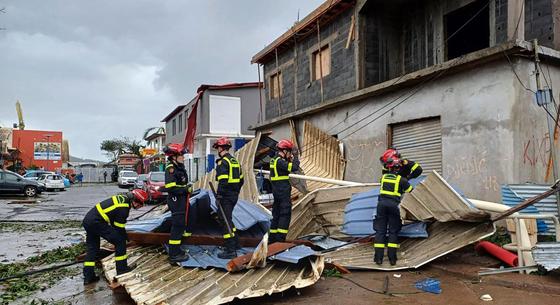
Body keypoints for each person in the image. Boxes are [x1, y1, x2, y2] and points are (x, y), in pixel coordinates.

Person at [82, 189, 148, 284]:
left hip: (88, 221)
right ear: (135, 200)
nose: (140, 206)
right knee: (120, 243)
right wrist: (124, 238)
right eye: (140, 203)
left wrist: (121, 234)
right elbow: (118, 227)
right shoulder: (124, 208)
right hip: (97, 223)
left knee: (92, 249)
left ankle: (88, 277)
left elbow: (114, 221)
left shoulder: (121, 199)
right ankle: (122, 269)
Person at [374, 155, 413, 266]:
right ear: (398, 168)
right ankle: (392, 259)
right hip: (394, 207)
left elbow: (384, 172)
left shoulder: (383, 178)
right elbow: (411, 191)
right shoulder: (402, 180)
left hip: (381, 206)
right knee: (393, 231)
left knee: (380, 231)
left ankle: (378, 259)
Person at [213, 137, 244, 259]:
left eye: (218, 148)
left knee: (224, 221)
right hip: (233, 195)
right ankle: (236, 243)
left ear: (220, 148)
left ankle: (230, 250)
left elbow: (223, 181)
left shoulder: (223, 162)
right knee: (228, 219)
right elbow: (242, 180)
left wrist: (219, 196)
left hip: (225, 196)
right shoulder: (234, 161)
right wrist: (235, 191)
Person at [163, 143, 191, 263]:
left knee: (180, 226)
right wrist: (186, 189)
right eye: (181, 155)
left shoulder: (179, 167)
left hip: (181, 199)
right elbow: (171, 187)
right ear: (174, 156)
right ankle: (174, 255)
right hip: (176, 200)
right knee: (177, 225)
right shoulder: (171, 168)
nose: (183, 157)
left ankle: (177, 250)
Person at [269, 140, 299, 243]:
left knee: (276, 215)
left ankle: (272, 240)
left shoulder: (274, 160)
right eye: (289, 152)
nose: (290, 154)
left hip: (276, 192)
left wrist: (289, 160)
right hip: (283, 192)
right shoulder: (280, 161)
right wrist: (296, 156)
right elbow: (294, 168)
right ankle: (280, 240)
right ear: (285, 151)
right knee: (285, 215)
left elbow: (284, 170)